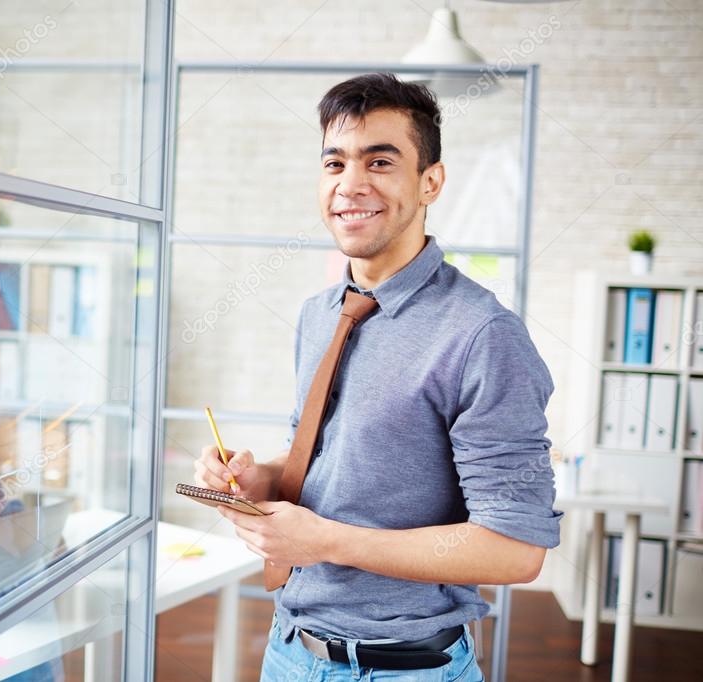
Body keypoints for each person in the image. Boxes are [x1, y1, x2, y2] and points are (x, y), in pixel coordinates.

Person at [194, 74, 562, 681]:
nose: (351, 184)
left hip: (402, 668)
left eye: (380, 161)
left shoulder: (482, 335)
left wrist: (327, 541)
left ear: (430, 182)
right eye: (334, 162)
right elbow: (335, 463)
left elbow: (517, 551)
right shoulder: (321, 313)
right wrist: (258, 479)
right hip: (288, 649)